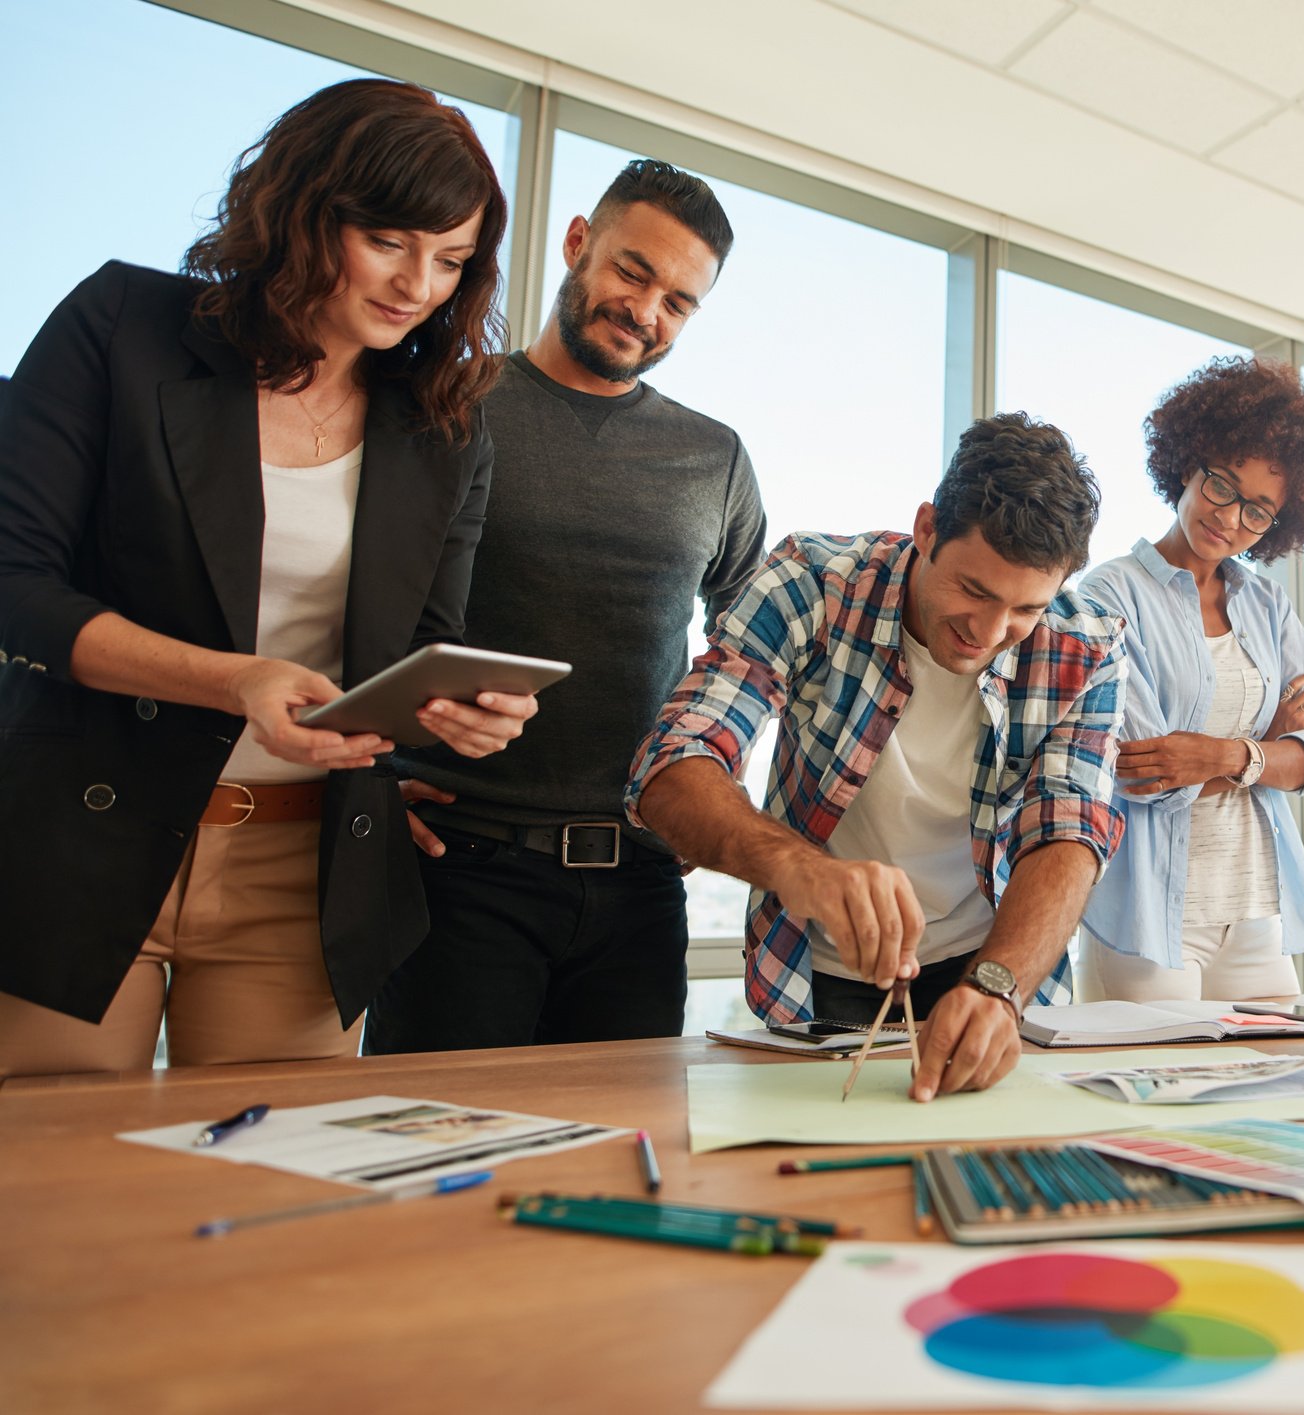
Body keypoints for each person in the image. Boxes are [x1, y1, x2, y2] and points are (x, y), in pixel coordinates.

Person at [0, 80, 537, 1077]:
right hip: (81, 838)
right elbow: (15, 585)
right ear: (305, 208)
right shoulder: (123, 323)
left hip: (304, 874)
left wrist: (453, 712)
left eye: (453, 259)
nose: (421, 282)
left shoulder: (444, 428)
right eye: (392, 240)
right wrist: (233, 679)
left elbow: (414, 652)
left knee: (269, 1201)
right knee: (45, 1196)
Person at [363, 161, 766, 1054]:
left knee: (623, 1164)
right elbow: (356, 607)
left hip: (642, 884)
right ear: (579, 241)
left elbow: (754, 651)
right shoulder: (448, 402)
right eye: (633, 271)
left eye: (679, 301)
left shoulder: (716, 457)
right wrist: (368, 783)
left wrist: (714, 775)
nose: (646, 311)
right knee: (437, 1156)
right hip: (458, 872)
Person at [627, 413, 1124, 1099]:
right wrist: (804, 870)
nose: (987, 632)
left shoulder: (1088, 646)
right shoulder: (814, 582)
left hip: (989, 967)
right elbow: (673, 763)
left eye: (1023, 610)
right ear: (926, 529)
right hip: (814, 970)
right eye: (974, 591)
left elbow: (1067, 831)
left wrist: (999, 983)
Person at [1077, 357, 1304, 1002]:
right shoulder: (1107, 595)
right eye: (1221, 486)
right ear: (1188, 466)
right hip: (1149, 912)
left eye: (1259, 511)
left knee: (1282, 1081)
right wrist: (1268, 745)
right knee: (1153, 1095)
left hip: (1257, 906)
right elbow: (1145, 774)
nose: (1231, 518)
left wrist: (1219, 755)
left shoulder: (1268, 606)